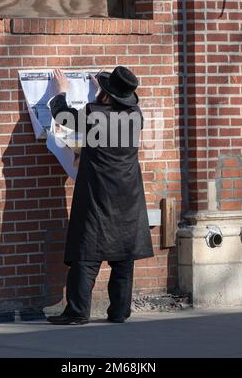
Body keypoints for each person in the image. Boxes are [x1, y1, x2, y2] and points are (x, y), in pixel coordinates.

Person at [46, 66, 154, 325]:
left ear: (106, 97)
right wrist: (102, 93)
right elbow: (110, 117)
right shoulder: (135, 115)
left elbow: (62, 115)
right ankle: (119, 312)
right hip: (129, 195)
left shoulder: (94, 115)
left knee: (87, 254)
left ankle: (77, 312)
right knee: (123, 258)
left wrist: (61, 92)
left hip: (98, 195)